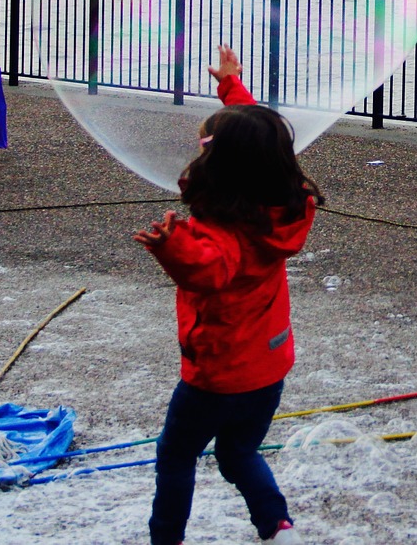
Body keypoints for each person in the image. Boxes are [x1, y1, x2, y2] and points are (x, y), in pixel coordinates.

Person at [134, 45, 319, 545]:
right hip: (269, 366)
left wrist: (171, 244)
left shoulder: (222, 229)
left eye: (206, 150)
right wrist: (231, 85)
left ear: (222, 166)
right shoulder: (278, 206)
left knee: (176, 455)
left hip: (215, 376)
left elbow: (208, 272)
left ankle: (165, 538)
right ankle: (277, 525)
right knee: (239, 454)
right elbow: (254, 133)